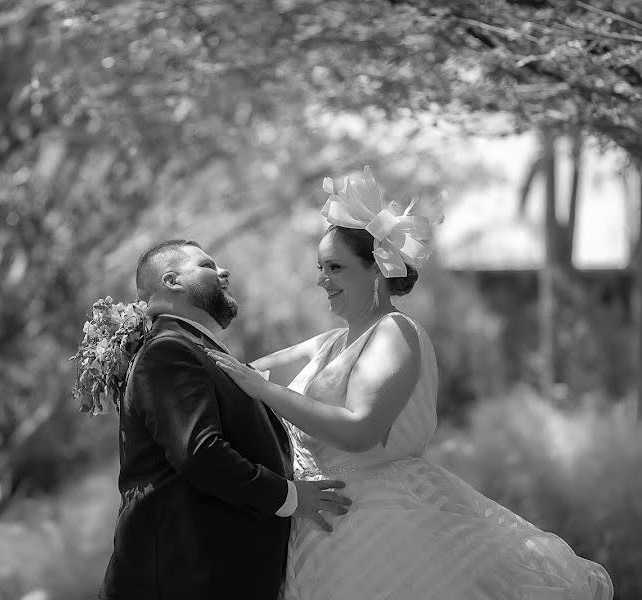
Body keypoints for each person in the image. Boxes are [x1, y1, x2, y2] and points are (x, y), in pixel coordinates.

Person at [207, 167, 614, 600]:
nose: (321, 279)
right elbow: (236, 372)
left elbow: (361, 428)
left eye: (335, 267)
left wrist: (267, 391)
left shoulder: (395, 332)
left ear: (376, 272)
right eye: (320, 267)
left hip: (375, 525)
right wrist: (152, 339)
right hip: (316, 524)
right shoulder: (328, 344)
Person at [99, 240, 352, 600]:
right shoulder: (168, 350)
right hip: (178, 583)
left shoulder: (195, 349)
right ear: (171, 281)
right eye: (207, 266)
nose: (223, 272)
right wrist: (290, 496)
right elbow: (201, 453)